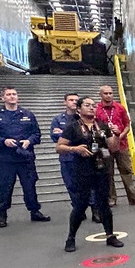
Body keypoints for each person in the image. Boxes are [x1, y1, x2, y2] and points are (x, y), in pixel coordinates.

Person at [56, 96, 124, 252]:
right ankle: (71, 237)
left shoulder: (101, 126)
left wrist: (117, 135)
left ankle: (110, 235)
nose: (92, 108)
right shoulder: (72, 127)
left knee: (104, 204)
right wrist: (75, 149)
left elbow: (113, 148)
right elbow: (59, 147)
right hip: (82, 170)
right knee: (81, 204)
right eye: (87, 105)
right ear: (79, 109)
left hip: (101, 168)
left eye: (93, 105)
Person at [0, 86, 50, 228]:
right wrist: (3, 141)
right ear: (3, 98)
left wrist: (29, 141)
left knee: (30, 186)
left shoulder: (28, 114)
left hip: (25, 158)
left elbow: (37, 134)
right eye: (8, 94)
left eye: (14, 94)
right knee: (4, 187)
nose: (12, 96)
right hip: (5, 159)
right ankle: (2, 214)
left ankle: (34, 211)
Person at [51, 92, 101, 224]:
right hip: (68, 158)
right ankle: (79, 209)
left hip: (86, 158)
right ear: (65, 102)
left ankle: (95, 210)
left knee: (91, 186)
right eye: (71, 100)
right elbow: (56, 138)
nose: (73, 102)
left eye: (76, 100)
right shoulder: (58, 119)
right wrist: (71, 140)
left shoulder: (89, 120)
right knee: (71, 185)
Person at [97, 84, 135, 207]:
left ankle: (133, 197)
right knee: (108, 173)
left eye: (110, 93)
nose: (108, 96)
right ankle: (111, 198)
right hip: (105, 147)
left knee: (127, 171)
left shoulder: (120, 108)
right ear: (100, 95)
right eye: (105, 93)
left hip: (122, 145)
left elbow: (127, 125)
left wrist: (121, 135)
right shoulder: (97, 110)